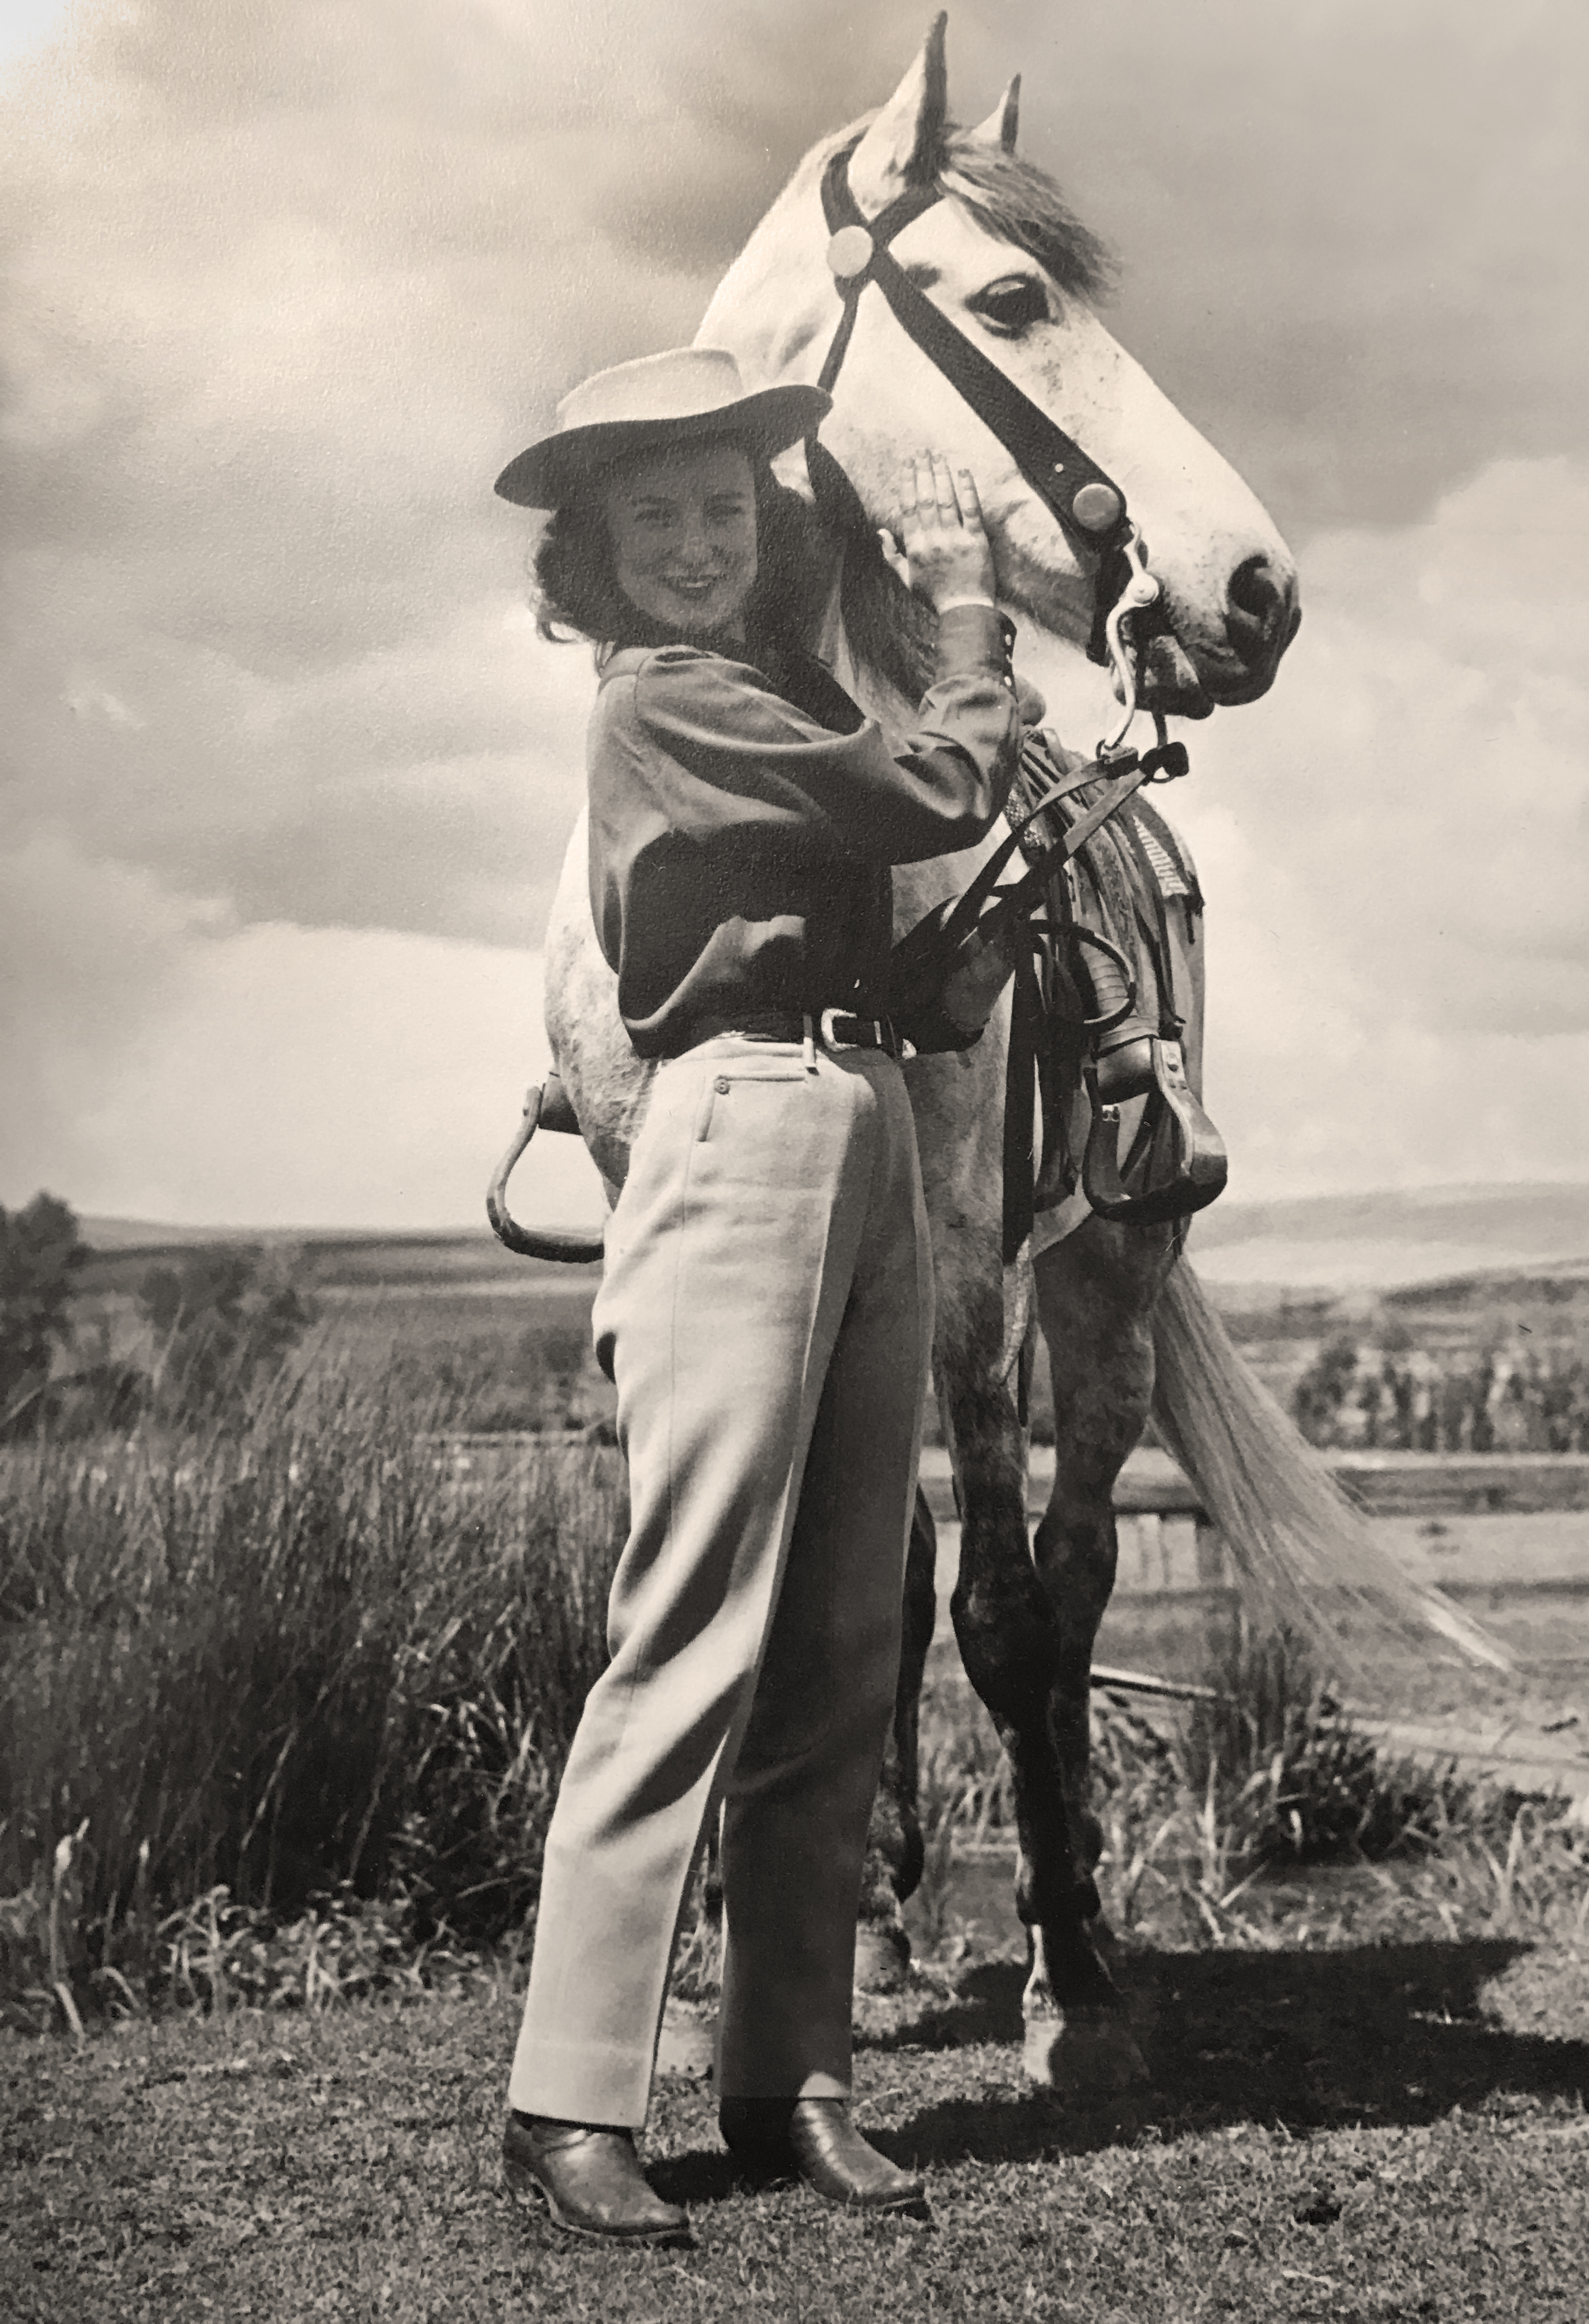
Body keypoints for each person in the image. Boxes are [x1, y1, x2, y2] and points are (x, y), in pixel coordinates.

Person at [491, 347, 1022, 2246]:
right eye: (657, 523)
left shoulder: (761, 686)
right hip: (743, 1125)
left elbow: (877, 870)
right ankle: (570, 2102)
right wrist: (968, 619)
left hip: (859, 1107)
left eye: (725, 508)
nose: (700, 544)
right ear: (600, 562)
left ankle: (789, 2080)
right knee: (695, 1617)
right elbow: (927, 780)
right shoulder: (668, 704)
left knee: (840, 1648)